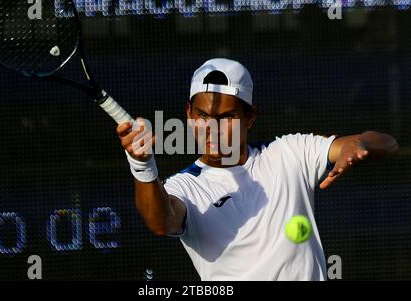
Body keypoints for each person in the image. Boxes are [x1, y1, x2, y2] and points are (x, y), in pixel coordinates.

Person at [116, 58, 399, 280]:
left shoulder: (290, 152)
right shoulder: (184, 187)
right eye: (202, 115)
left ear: (249, 118)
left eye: (226, 117)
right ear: (189, 114)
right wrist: (142, 163)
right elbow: (160, 222)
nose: (212, 127)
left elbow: (387, 143)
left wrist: (359, 143)